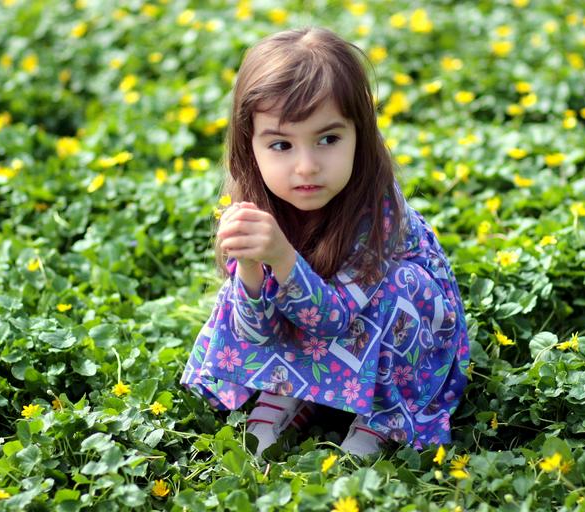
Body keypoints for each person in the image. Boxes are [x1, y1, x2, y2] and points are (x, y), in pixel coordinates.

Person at [180, 27, 469, 458]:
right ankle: (288, 391)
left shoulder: (379, 212)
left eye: (328, 139)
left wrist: (282, 257)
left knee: (403, 287)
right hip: (326, 326)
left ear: (360, 135)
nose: (306, 166)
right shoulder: (256, 205)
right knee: (247, 294)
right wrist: (252, 268)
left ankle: (382, 418)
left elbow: (333, 319)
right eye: (281, 144)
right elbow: (254, 332)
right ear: (249, 145)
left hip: (399, 347)